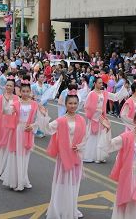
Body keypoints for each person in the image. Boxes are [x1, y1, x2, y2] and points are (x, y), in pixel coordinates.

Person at [37, 89, 87, 219]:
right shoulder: (61, 120)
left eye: (75, 103)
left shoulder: (81, 119)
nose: (73, 106)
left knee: (74, 183)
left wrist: (80, 146)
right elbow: (47, 129)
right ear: (66, 104)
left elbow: (85, 137)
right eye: (70, 103)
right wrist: (43, 116)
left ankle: (71, 208)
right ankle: (59, 208)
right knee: (62, 183)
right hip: (64, 156)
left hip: (76, 155)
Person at [0, 76, 43, 191]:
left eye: (27, 91)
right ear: (20, 91)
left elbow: (39, 119)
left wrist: (33, 126)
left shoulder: (34, 104)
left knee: (25, 156)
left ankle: (24, 179)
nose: (25, 93)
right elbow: (6, 111)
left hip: (28, 130)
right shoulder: (16, 103)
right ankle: (16, 181)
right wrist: (6, 101)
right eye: (23, 91)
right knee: (17, 155)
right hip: (18, 130)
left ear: (30, 92)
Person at [83, 76, 120, 163]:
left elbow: (114, 97)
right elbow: (86, 106)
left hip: (101, 117)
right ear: (95, 83)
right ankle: (91, 155)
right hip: (94, 117)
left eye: (101, 83)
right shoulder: (91, 93)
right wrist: (95, 114)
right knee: (93, 135)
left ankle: (99, 156)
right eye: (99, 83)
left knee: (101, 135)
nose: (101, 84)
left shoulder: (104, 93)